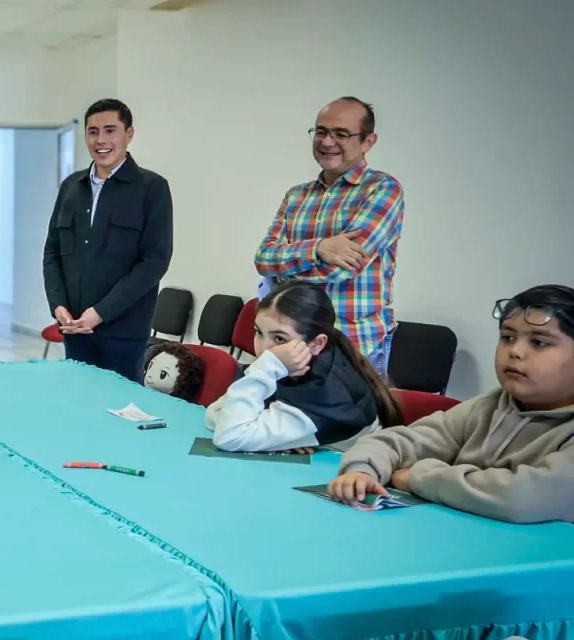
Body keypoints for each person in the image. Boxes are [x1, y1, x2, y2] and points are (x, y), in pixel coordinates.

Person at [329, 285, 574, 524]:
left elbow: (524, 498)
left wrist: (418, 477)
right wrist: (362, 470)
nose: (515, 351)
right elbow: (398, 441)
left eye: (539, 342)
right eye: (508, 337)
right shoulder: (490, 406)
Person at [255, 97, 404, 377]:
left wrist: (288, 268)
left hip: (355, 346)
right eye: (321, 131)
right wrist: (320, 248)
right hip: (294, 345)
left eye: (341, 134)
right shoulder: (296, 195)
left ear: (368, 142)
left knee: (349, 422)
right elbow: (263, 258)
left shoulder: (382, 190)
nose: (327, 141)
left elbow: (340, 269)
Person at [42, 98, 173, 381]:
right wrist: (58, 306)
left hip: (124, 333)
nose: (101, 140)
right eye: (93, 131)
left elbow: (155, 262)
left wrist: (100, 313)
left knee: (119, 415)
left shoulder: (152, 188)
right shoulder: (71, 188)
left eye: (111, 130)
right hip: (75, 329)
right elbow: (52, 252)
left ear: (129, 134)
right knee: (78, 407)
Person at [206, 281, 401, 453]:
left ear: (317, 343)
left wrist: (264, 370)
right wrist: (279, 438)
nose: (264, 349)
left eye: (280, 338)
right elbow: (214, 413)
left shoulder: (322, 393)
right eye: (259, 332)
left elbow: (228, 435)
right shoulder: (297, 361)